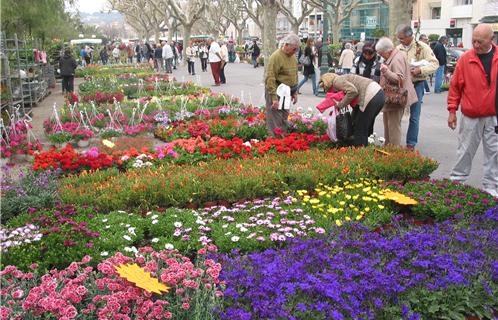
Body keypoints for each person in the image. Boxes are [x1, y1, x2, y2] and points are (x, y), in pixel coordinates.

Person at [447, 23, 498, 197]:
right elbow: (455, 87)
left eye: (480, 42)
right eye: (473, 41)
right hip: (471, 115)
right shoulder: (465, 59)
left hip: (494, 115)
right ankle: (457, 181)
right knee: (465, 150)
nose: (476, 45)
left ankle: (491, 187)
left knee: (494, 152)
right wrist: (452, 111)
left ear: (491, 39)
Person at [396, 24, 438, 149]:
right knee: (396, 114)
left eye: (402, 38)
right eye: (399, 38)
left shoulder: (423, 47)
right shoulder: (398, 48)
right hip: (401, 85)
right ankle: (395, 142)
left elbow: (434, 64)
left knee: (414, 116)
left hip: (417, 84)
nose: (400, 41)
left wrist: (420, 70)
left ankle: (411, 144)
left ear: (410, 36)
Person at [319, 72, 385, 146]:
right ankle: (361, 148)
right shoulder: (342, 79)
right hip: (378, 94)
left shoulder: (337, 82)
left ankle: (359, 152)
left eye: (324, 87)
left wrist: (340, 105)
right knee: (360, 124)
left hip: (371, 96)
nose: (325, 90)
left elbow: (353, 91)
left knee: (360, 128)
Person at [375, 37, 418, 146]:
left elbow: (399, 79)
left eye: (381, 54)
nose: (381, 56)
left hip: (396, 98)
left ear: (388, 51)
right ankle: (389, 149)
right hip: (391, 98)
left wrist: (386, 71)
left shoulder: (397, 59)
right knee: (388, 125)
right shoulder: (394, 56)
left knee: (393, 127)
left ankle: (394, 152)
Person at [265, 33, 300, 135]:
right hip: (276, 92)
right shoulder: (276, 57)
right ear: (286, 45)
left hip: (287, 92)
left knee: (284, 118)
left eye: (297, 49)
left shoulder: (293, 57)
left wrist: (295, 92)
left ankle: (283, 141)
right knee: (275, 120)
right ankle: (275, 142)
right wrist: (274, 98)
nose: (295, 51)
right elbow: (270, 78)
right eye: (294, 49)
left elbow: (294, 75)